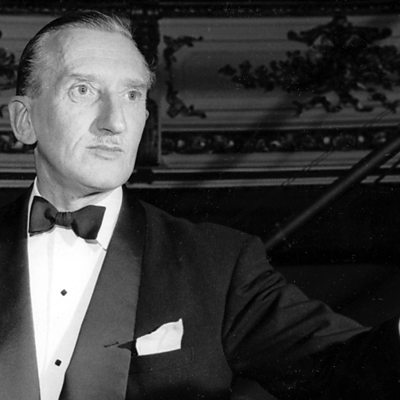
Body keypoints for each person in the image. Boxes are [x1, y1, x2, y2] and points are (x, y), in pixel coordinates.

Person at [0, 10, 399, 400]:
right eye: (83, 90)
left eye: (131, 95)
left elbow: (346, 369)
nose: (115, 122)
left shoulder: (219, 264)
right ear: (24, 120)